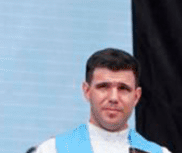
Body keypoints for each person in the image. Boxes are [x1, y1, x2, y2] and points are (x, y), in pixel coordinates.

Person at [33, 48, 172, 153]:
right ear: (87, 91)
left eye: (123, 88)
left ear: (136, 96)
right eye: (103, 87)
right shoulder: (53, 150)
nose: (113, 98)